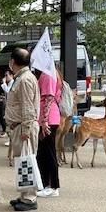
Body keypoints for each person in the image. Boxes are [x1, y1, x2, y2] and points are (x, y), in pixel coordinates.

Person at [5, 48, 40, 211]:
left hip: (23, 127)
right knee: (23, 162)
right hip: (20, 126)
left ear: (13, 62)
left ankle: (29, 198)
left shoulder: (24, 79)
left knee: (27, 162)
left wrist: (26, 129)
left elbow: (27, 107)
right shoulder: (24, 77)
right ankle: (24, 195)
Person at [35, 69, 61, 198]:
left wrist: (44, 120)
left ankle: (52, 185)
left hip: (48, 119)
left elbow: (49, 97)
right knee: (44, 153)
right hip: (48, 118)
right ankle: (46, 184)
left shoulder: (48, 74)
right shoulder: (51, 73)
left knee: (48, 153)